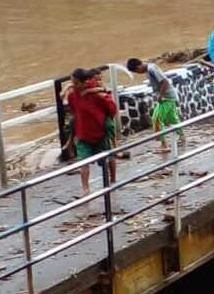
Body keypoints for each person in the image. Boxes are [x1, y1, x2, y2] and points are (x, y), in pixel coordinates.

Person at [66, 67, 118, 200]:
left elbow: (112, 109)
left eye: (76, 83)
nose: (73, 85)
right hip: (83, 134)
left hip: (100, 133)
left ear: (85, 82)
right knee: (84, 162)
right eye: (72, 82)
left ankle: (112, 179)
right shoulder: (72, 95)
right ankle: (85, 188)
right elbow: (73, 111)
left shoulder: (98, 94)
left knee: (108, 158)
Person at [128, 58, 183, 153]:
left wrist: (160, 95)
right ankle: (182, 137)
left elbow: (165, 82)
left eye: (137, 71)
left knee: (156, 119)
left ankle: (164, 145)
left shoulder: (151, 69)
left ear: (138, 67)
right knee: (171, 119)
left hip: (166, 97)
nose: (139, 73)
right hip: (169, 96)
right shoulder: (150, 68)